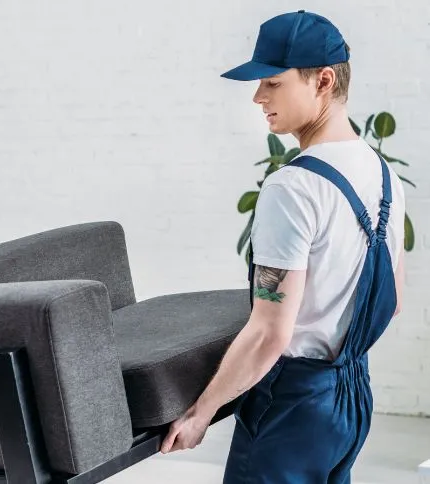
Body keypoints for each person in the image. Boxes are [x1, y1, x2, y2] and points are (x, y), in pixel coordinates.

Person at [160, 10, 406, 483]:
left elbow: (270, 333)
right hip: (351, 398)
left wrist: (199, 414)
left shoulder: (291, 188)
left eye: (273, 82)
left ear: (323, 81)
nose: (257, 97)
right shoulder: (385, 177)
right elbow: (392, 302)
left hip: (291, 405)